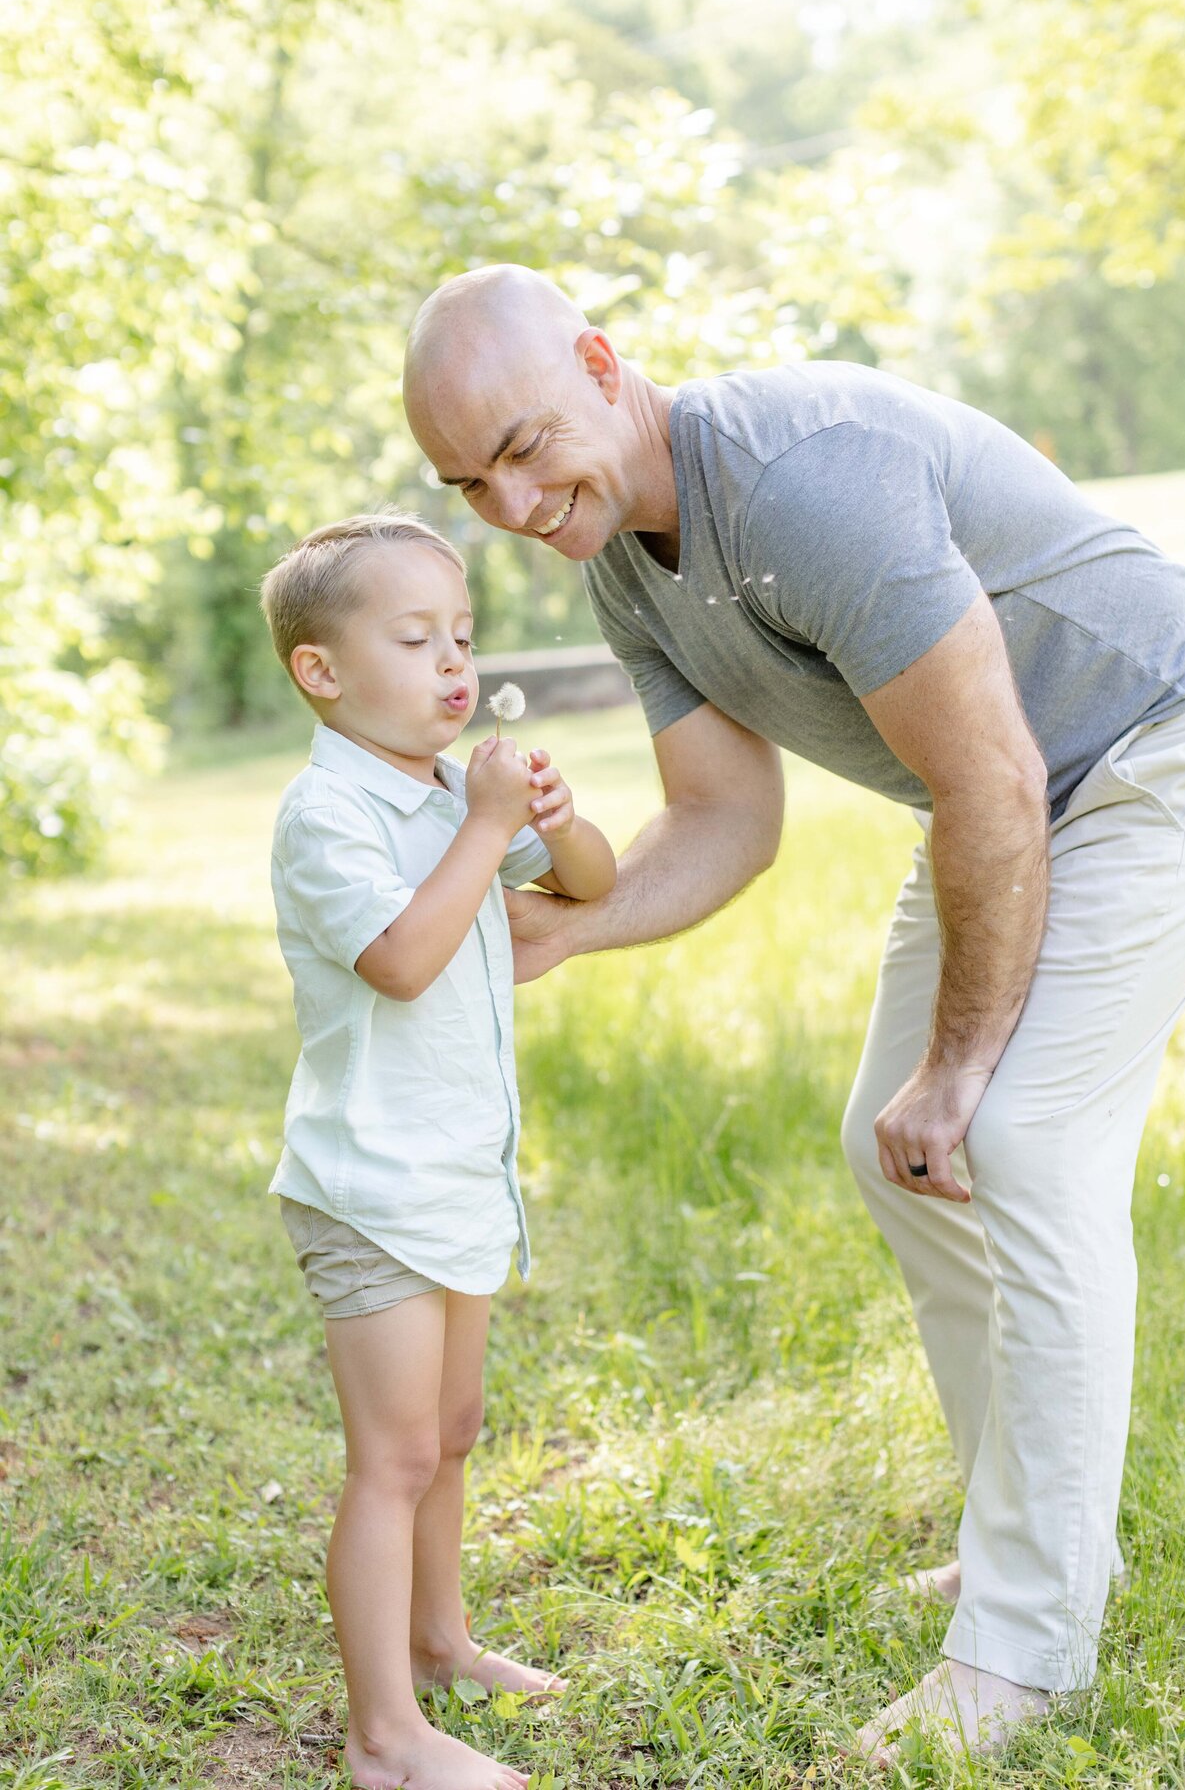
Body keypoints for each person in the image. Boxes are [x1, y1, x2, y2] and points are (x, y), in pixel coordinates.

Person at [401, 265, 1185, 1763]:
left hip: (1155, 745)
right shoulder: (623, 563)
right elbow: (722, 821)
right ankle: (1032, 1538)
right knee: (882, 1144)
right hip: (1016, 791)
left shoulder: (798, 479)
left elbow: (994, 782)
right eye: (467, 483)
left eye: (519, 449)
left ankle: (1030, 1653)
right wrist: (560, 933)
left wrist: (960, 1070)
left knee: (1015, 1140)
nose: (506, 506)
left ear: (600, 360)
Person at [258, 509, 616, 1790]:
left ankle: (440, 1641)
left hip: (452, 1175)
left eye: (463, 636)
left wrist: (558, 821)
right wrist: (482, 828)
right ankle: (384, 1739)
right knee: (395, 1458)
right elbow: (405, 962)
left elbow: (589, 884)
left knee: (453, 1432)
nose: (456, 663)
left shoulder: (437, 794)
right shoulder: (330, 817)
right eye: (416, 639)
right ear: (325, 672)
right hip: (369, 1188)